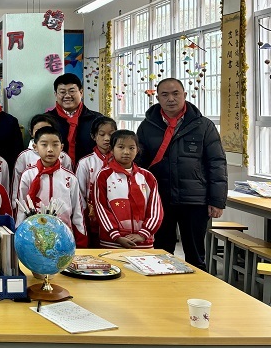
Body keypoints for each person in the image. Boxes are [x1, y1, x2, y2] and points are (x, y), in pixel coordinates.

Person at [136, 77, 227, 269]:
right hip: (160, 199)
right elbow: (139, 165)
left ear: (185, 95)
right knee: (161, 252)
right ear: (158, 98)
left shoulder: (203, 126)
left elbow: (217, 163)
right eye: (165, 95)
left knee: (195, 254)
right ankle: (163, 287)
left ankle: (198, 287)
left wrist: (217, 200)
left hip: (195, 201)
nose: (171, 99)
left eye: (176, 93)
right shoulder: (147, 126)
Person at [16, 126, 87, 246]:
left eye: (55, 145)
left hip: (63, 237)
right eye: (44, 145)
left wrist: (81, 242)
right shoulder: (28, 175)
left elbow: (77, 213)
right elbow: (21, 210)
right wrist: (19, 236)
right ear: (35, 147)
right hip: (33, 236)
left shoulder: (70, 178)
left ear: (61, 147)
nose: (50, 150)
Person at [94, 130, 164, 250]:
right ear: (111, 149)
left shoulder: (147, 177)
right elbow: (101, 208)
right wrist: (115, 235)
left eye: (131, 148)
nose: (126, 152)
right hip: (112, 242)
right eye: (121, 147)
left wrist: (143, 234)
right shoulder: (104, 176)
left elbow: (155, 209)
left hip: (143, 243)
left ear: (137, 150)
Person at [11, 114, 73, 204]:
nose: (44, 133)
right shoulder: (24, 156)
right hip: (33, 208)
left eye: (47, 129)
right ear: (31, 132)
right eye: (38, 130)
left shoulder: (64, 157)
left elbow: (70, 183)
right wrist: (15, 205)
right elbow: (17, 186)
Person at [75, 116, 117, 247]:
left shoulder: (121, 161)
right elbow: (79, 194)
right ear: (94, 136)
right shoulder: (85, 163)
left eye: (111, 134)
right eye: (102, 134)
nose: (107, 138)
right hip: (92, 217)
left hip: (117, 215)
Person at [45, 73, 103, 166]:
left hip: (91, 171)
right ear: (55, 94)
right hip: (55, 172)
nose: (67, 96)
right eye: (62, 92)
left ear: (81, 92)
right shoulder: (46, 120)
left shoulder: (97, 120)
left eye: (72, 91)